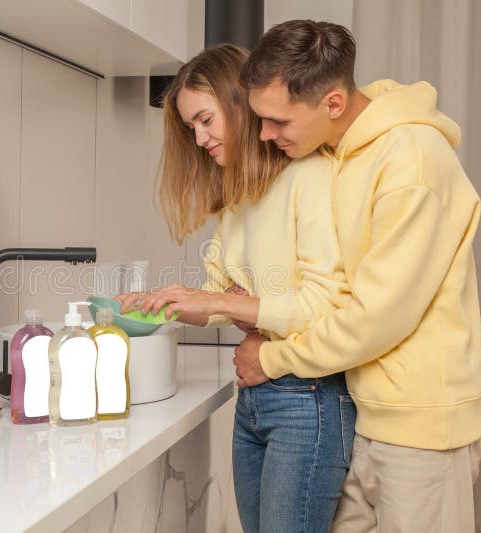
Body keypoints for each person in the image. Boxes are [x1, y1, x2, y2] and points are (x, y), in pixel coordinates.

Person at [233, 20, 481, 532]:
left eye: (279, 121)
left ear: (332, 103)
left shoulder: (412, 161)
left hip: (422, 426)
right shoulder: (338, 153)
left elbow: (378, 316)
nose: (265, 134)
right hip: (363, 409)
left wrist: (272, 357)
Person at [115, 43, 356, 533]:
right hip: (253, 398)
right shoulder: (236, 199)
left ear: (240, 104)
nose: (200, 138)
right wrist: (165, 305)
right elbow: (223, 303)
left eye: (205, 120)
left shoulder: (309, 176)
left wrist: (218, 300)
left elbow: (324, 305)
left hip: (307, 399)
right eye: (191, 128)